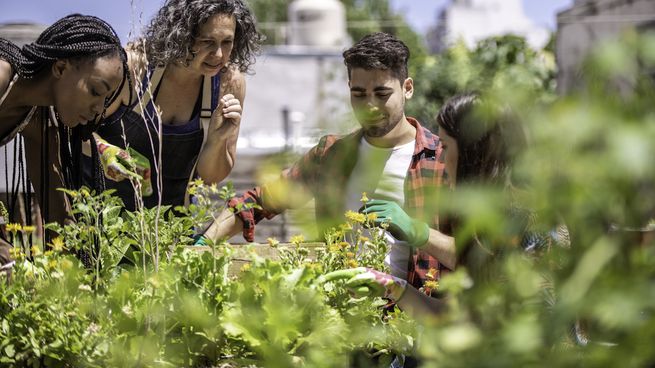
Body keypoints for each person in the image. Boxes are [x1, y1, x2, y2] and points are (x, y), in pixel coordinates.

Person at [202, 32, 456, 291]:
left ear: (408, 88)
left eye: (382, 94)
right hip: (344, 315)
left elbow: (478, 257)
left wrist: (419, 232)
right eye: (359, 94)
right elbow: (258, 201)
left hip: (418, 319)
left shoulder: (442, 158)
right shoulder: (331, 155)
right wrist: (202, 244)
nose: (369, 105)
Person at [325, 93, 569, 318]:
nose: (441, 158)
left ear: (473, 152)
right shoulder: (485, 218)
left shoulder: (525, 219)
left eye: (446, 146)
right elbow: (454, 317)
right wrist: (392, 287)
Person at [85, 0, 264, 210]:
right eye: (207, 41)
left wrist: (217, 140)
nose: (218, 55)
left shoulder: (229, 83)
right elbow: (70, 129)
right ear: (180, 35)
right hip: (99, 216)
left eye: (227, 42)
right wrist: (105, 150)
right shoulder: (134, 67)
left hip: (173, 227)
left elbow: (210, 178)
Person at [0, 14, 128, 265]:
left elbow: (57, 210)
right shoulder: (1, 75)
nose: (97, 109)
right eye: (95, 91)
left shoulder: (39, 117)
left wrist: (83, 268)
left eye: (105, 100)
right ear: (60, 68)